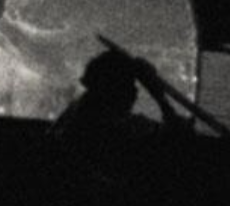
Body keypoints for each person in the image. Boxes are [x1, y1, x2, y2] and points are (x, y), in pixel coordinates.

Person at [51, 44, 180, 146]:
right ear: (119, 90)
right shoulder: (128, 129)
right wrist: (160, 98)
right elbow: (181, 139)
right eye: (129, 84)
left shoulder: (73, 114)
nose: (135, 91)